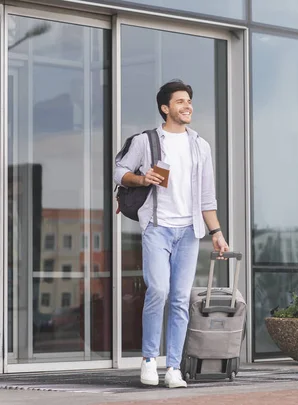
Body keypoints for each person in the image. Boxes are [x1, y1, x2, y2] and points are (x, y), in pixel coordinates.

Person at [114, 79, 229, 388]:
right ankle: (150, 359)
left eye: (189, 100)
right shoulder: (147, 141)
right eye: (180, 101)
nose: (187, 105)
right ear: (165, 108)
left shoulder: (199, 145)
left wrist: (216, 232)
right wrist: (140, 180)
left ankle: (174, 367)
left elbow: (207, 197)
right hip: (157, 227)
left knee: (180, 299)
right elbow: (119, 170)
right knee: (159, 291)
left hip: (190, 231)